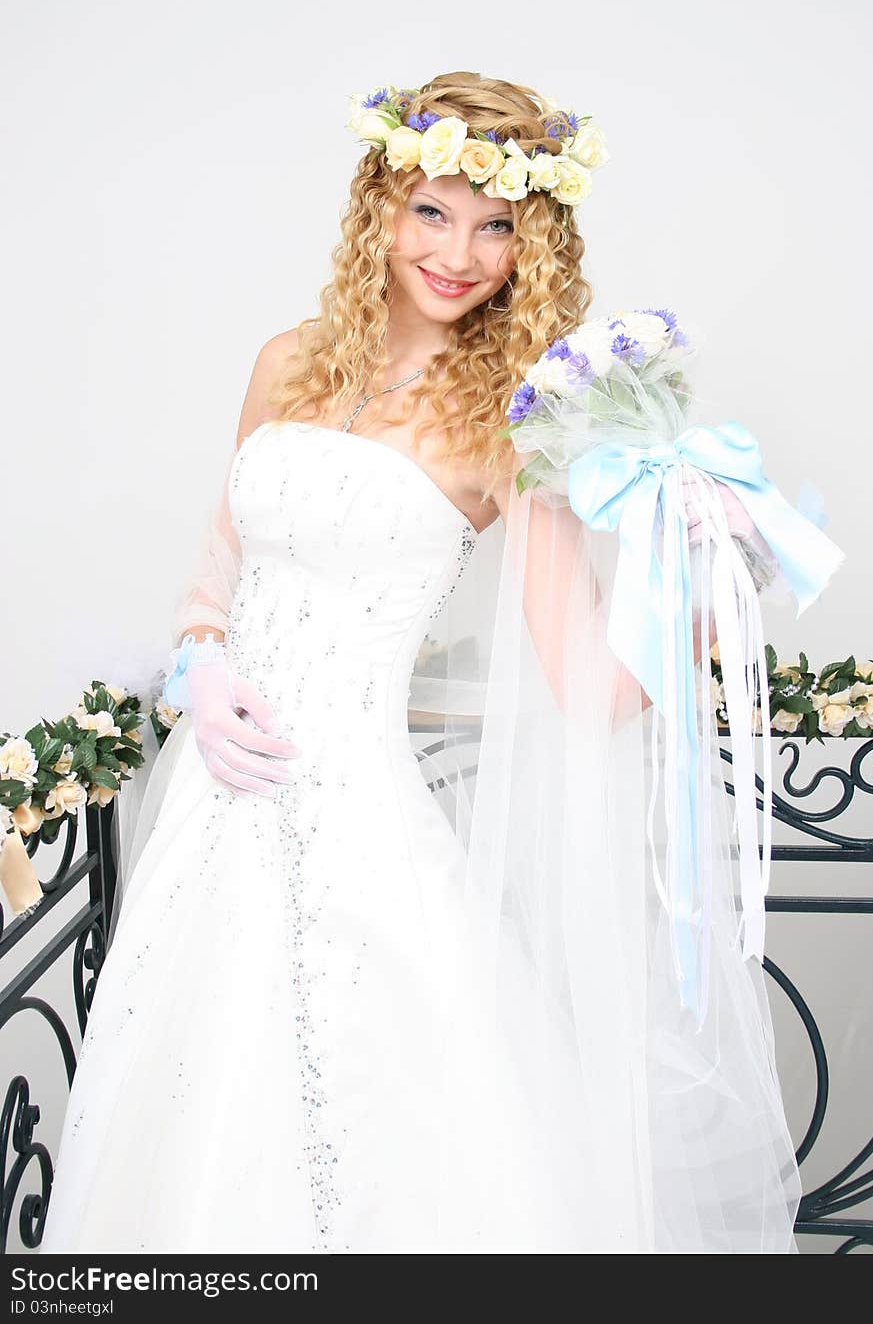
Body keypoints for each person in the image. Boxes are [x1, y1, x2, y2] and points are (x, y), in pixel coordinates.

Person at [39, 72, 803, 1254]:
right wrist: (196, 665)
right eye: (431, 212)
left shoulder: (511, 420)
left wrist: (709, 583)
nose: (461, 252)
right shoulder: (285, 362)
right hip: (214, 801)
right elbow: (218, 574)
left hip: (356, 812)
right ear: (378, 210)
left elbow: (590, 692)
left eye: (496, 224)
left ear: (531, 241)